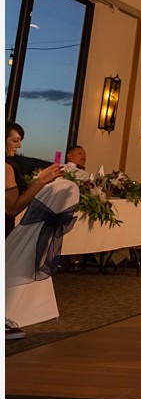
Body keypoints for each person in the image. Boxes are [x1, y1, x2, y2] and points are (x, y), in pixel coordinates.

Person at [5, 121, 66, 340]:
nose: (18, 146)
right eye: (15, 140)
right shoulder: (6, 166)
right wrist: (40, 182)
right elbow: (12, 208)